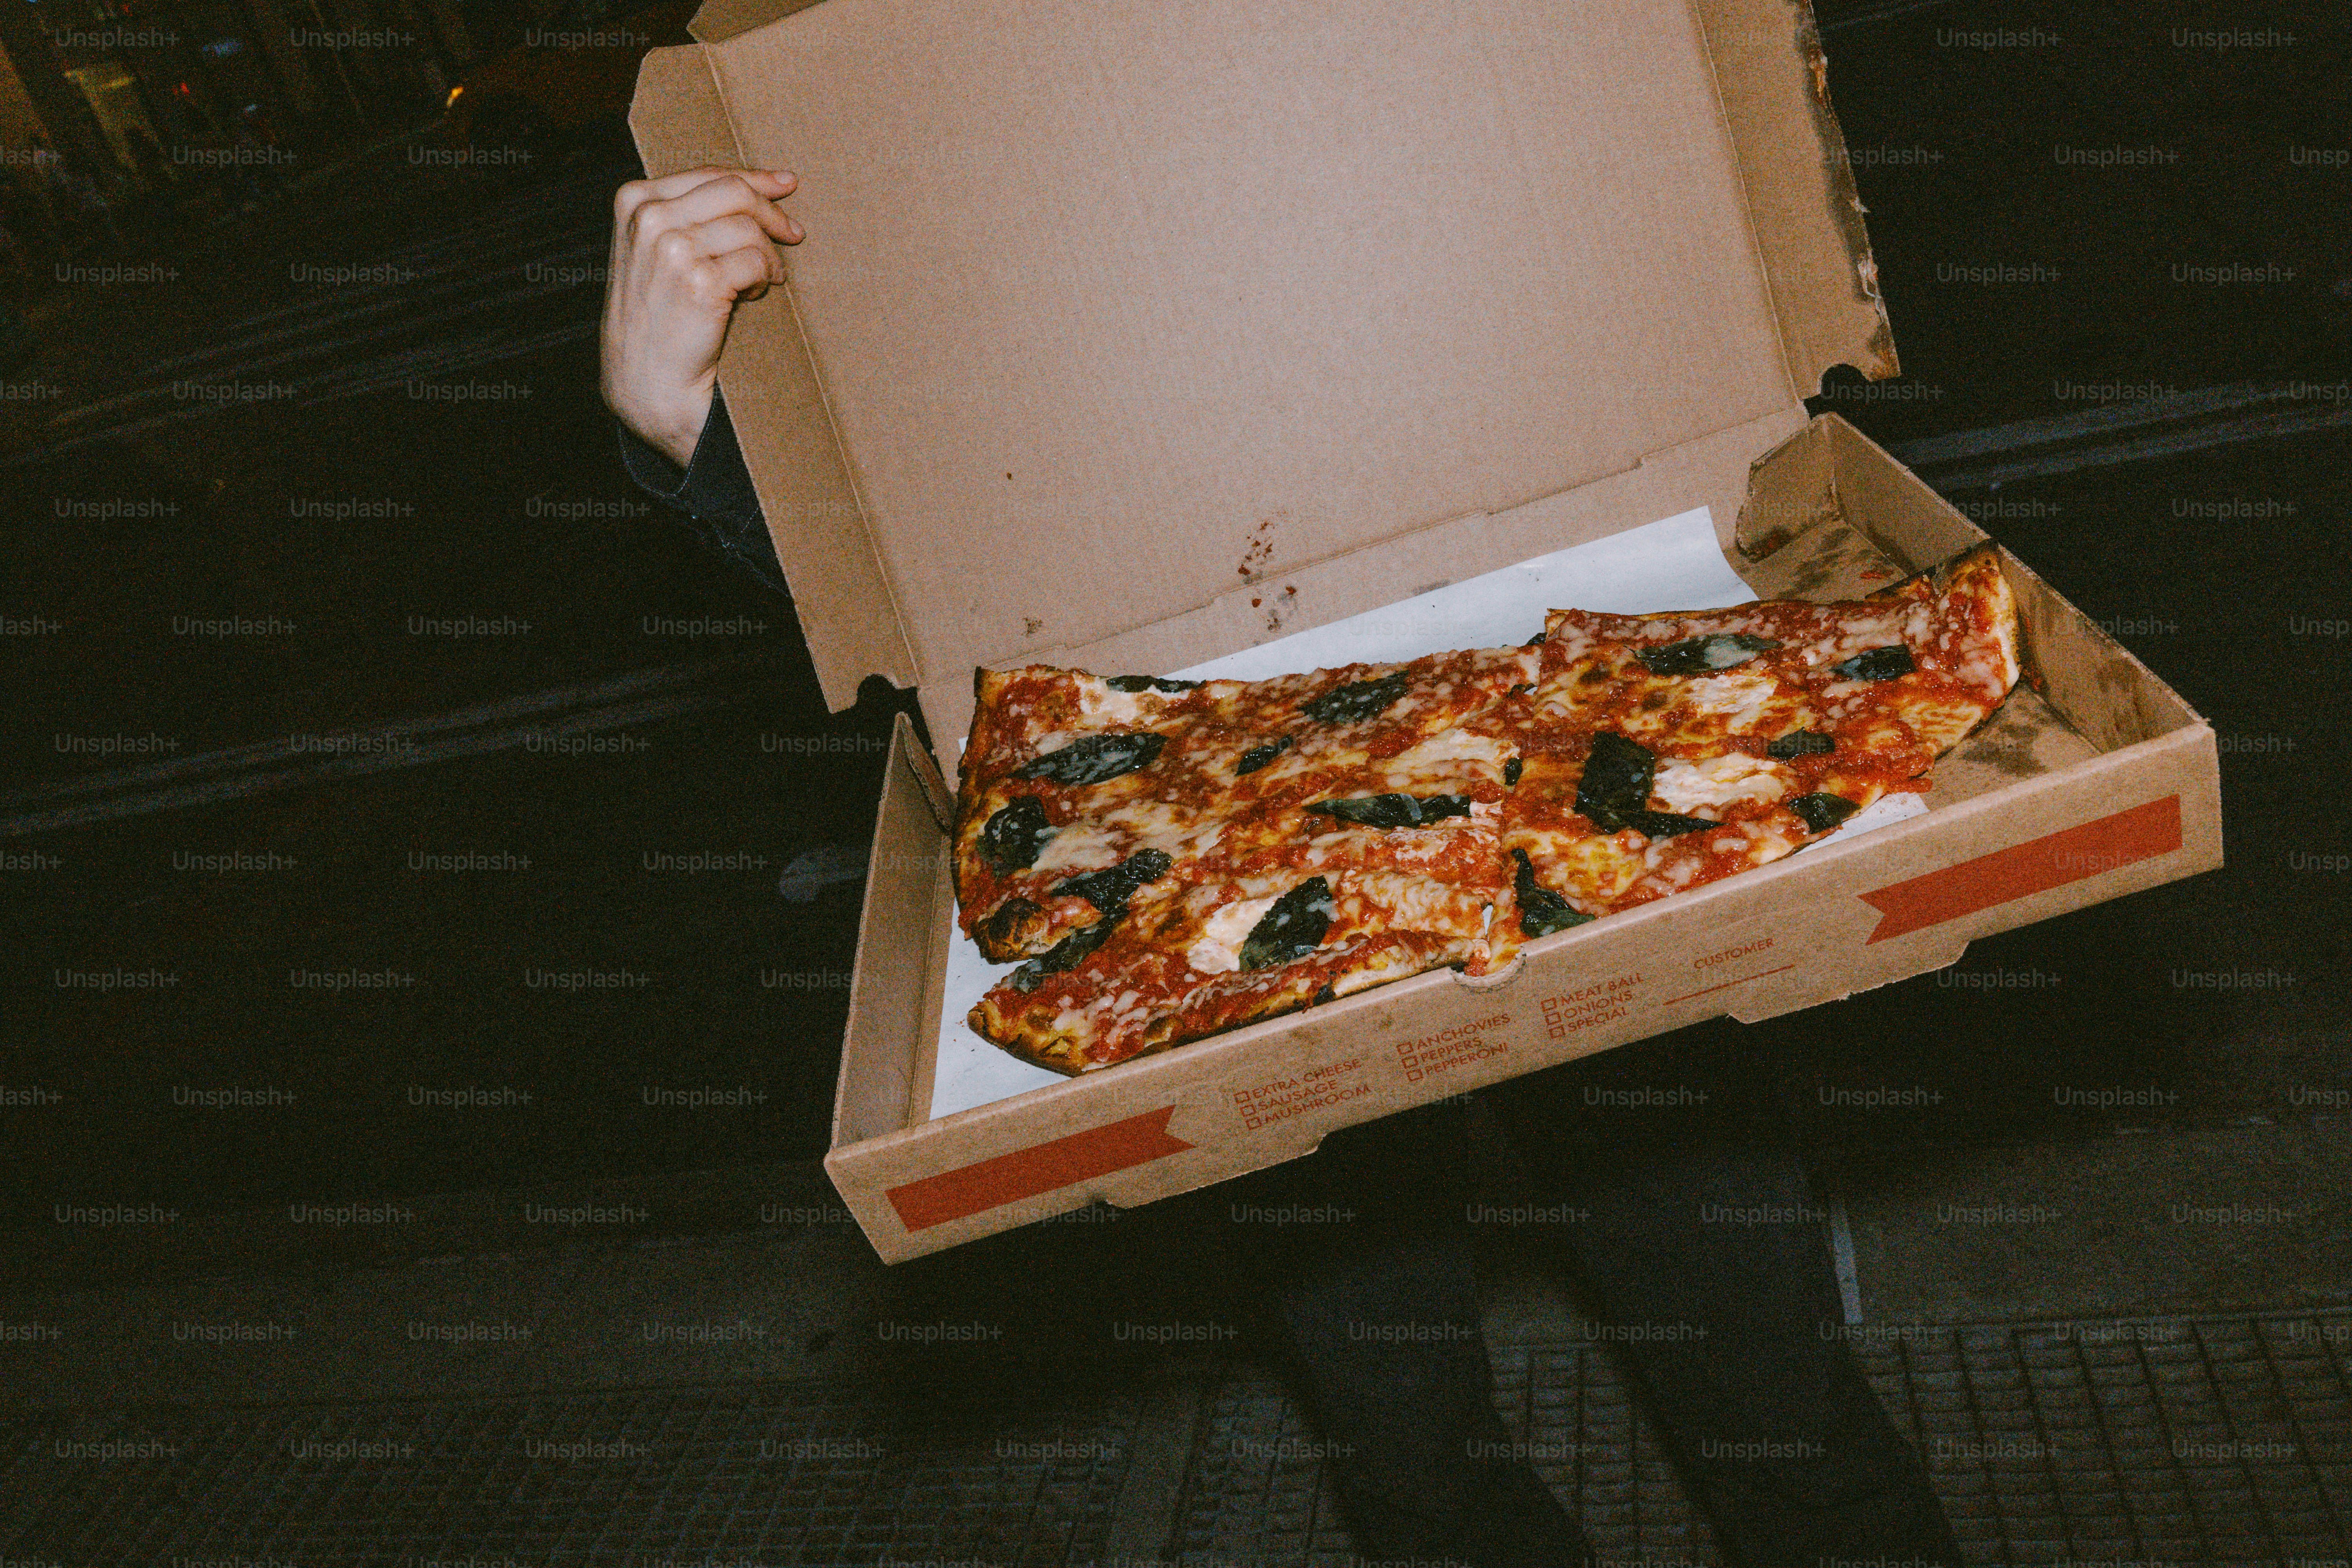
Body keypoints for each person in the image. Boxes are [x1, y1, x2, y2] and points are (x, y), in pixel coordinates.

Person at [600, 165, 1969, 1568]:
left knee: (1764, 1375)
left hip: (1580, 745)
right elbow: (945, 587)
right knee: (1409, 1440)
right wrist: (699, 442)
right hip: (1204, 843)